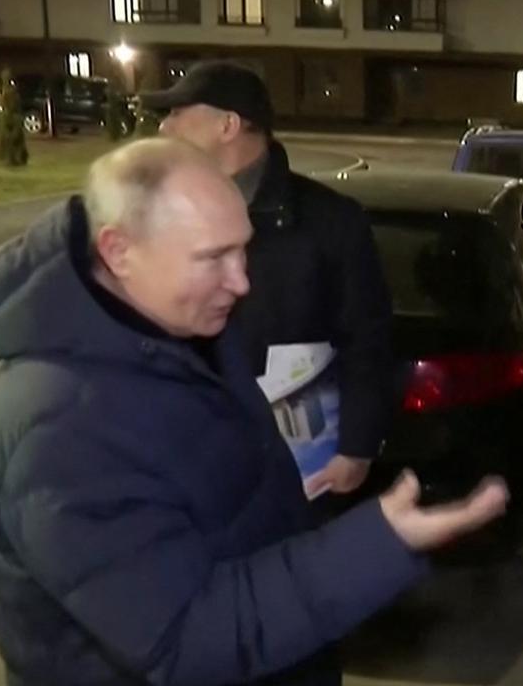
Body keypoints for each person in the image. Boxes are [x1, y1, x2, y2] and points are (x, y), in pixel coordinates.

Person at [0, 138, 508, 686]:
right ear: (118, 251)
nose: (242, 282)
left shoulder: (177, 329)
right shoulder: (60, 433)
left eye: (243, 249)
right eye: (213, 257)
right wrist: (375, 545)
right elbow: (187, 638)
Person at [142, 60, 391, 498]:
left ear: (228, 124)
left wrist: (357, 447)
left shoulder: (331, 221)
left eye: (177, 113)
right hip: (181, 457)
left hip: (292, 469)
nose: (164, 129)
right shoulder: (158, 215)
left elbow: (367, 340)